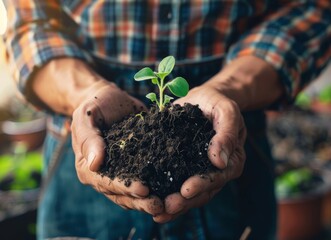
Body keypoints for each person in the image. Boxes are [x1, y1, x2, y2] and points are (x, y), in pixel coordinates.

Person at [3, 0, 331, 239]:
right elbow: (30, 23)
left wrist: (228, 88)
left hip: (229, 136)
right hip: (82, 143)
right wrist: (83, 94)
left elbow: (314, 10)